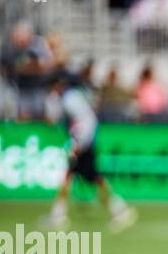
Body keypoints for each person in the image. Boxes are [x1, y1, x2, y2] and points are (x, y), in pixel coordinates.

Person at [45, 71, 137, 233]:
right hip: (84, 142)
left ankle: (119, 210)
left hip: (83, 144)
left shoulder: (69, 99)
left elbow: (84, 121)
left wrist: (77, 145)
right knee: (82, 177)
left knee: (86, 177)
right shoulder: (72, 97)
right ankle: (118, 209)